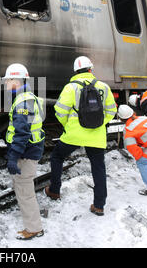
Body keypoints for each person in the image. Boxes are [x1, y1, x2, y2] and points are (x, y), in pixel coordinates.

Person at [44, 56, 117, 216]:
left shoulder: (71, 87)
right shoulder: (104, 87)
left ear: (76, 71)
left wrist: (68, 125)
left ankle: (54, 190)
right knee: (98, 167)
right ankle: (99, 205)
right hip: (96, 136)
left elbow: (60, 110)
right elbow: (112, 111)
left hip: (73, 134)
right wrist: (99, 123)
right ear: (91, 69)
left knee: (57, 157)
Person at [3, 63, 45, 240]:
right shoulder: (28, 97)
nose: (5, 84)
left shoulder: (22, 102)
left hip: (26, 154)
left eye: (7, 80)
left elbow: (22, 133)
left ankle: (34, 228)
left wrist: (13, 157)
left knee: (25, 191)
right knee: (23, 188)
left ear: (15, 80)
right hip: (31, 151)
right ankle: (33, 225)